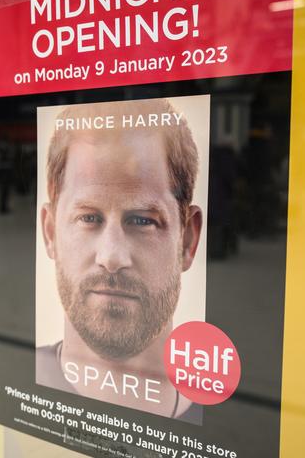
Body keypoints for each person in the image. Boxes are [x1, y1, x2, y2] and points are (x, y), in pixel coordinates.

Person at [36, 98, 203, 423]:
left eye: (142, 220)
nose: (111, 257)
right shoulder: (19, 379)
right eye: (88, 218)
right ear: (50, 232)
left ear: (188, 240)